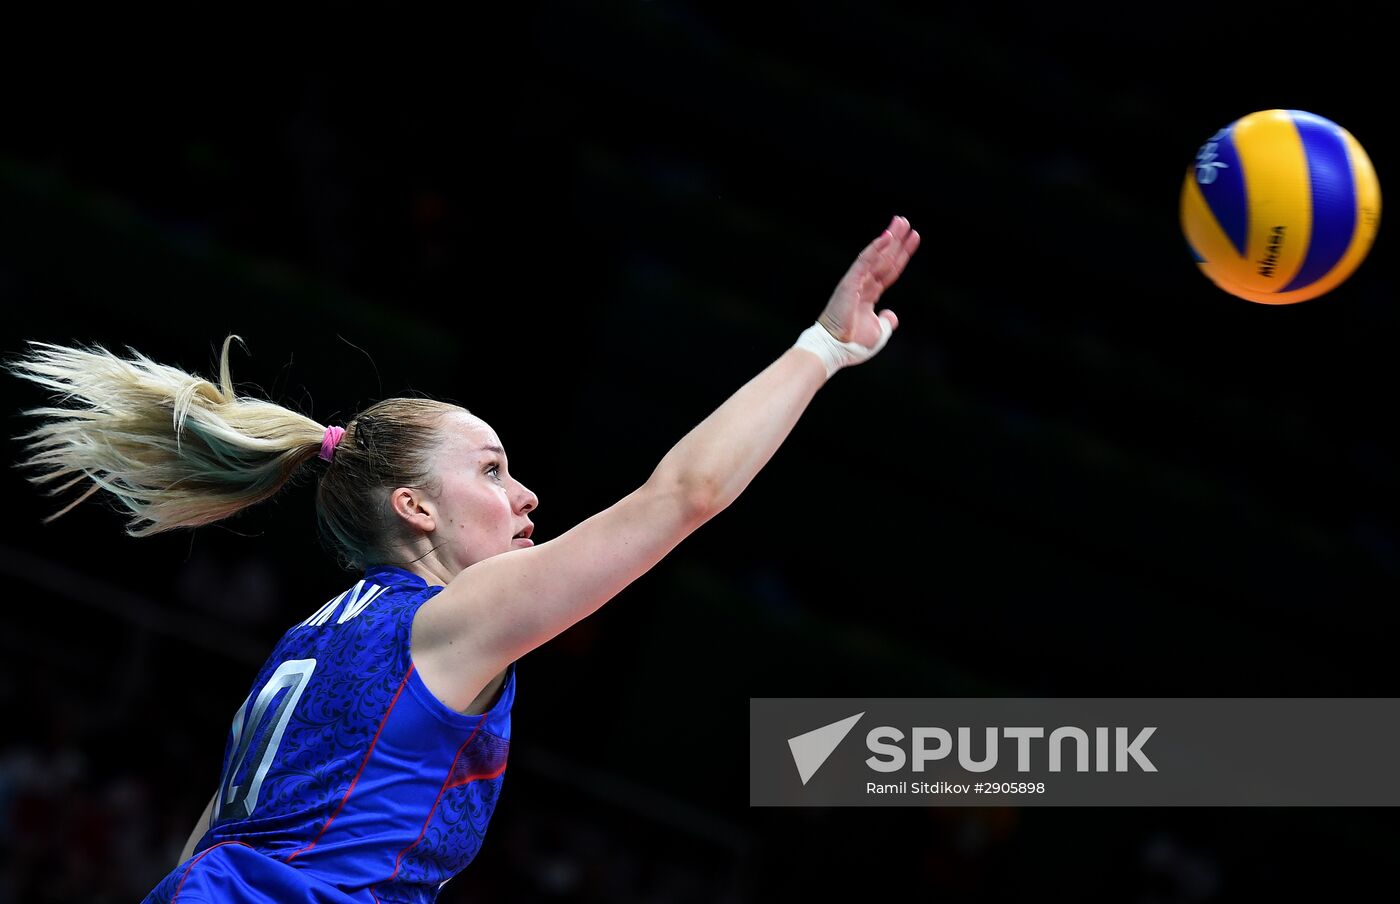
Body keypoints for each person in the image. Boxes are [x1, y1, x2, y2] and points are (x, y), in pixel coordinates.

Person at [6, 215, 920, 902]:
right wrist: (823, 348)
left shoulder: (307, 644)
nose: (525, 496)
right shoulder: (446, 623)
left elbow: (209, 839)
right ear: (415, 508)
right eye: (492, 470)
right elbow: (684, 496)